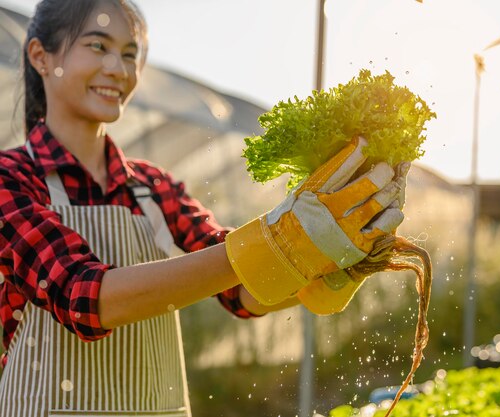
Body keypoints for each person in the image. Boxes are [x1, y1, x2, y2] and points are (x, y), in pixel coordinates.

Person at [0, 0, 407, 416]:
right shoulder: (11, 180)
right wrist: (275, 241)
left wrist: (331, 266)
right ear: (40, 56)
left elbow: (242, 292)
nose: (119, 70)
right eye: (98, 46)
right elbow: (84, 297)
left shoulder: (153, 187)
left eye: (129, 54)